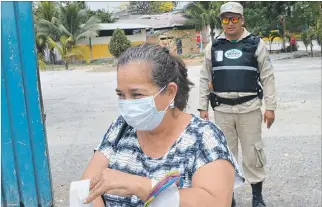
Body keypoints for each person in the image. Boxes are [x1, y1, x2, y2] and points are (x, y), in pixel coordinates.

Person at [81, 43, 245, 207]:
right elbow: (86, 187)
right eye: (121, 95)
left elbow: (215, 202)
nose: (127, 104)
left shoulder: (204, 137)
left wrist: (140, 185)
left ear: (170, 92)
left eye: (137, 94)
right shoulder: (121, 128)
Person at [198, 2, 277, 207]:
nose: (230, 23)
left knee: (253, 153)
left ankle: (257, 197)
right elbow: (204, 76)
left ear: (242, 20)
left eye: (234, 18)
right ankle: (228, 197)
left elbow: (268, 77)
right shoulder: (213, 46)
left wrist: (270, 107)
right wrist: (202, 107)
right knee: (225, 155)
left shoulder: (255, 44)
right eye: (226, 19)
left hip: (249, 108)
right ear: (222, 21)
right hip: (222, 110)